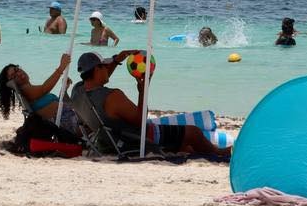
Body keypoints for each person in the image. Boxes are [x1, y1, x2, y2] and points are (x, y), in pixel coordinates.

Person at [69, 51, 229, 158]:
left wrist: (116, 61)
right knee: (193, 133)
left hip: (107, 141)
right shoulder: (112, 96)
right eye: (105, 65)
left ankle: (207, 152)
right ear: (97, 69)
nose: (107, 69)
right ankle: (218, 153)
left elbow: (97, 80)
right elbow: (140, 122)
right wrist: (143, 90)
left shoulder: (77, 91)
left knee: (187, 149)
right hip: (134, 140)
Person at [0, 53, 74, 126]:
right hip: (71, 125)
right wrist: (61, 67)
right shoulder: (26, 91)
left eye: (17, 69)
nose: (19, 74)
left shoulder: (29, 91)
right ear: (11, 82)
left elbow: (49, 96)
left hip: (70, 120)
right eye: (13, 76)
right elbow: (44, 89)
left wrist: (64, 89)